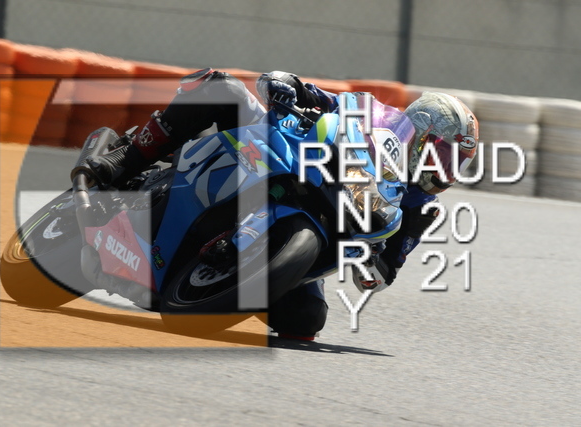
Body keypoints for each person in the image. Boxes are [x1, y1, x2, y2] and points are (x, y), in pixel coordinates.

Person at [75, 68, 479, 340]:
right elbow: (318, 98)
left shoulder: (419, 208)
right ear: (419, 135)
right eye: (441, 156)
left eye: (455, 164)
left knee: (306, 321)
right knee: (222, 88)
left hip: (315, 233)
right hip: (289, 161)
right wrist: (290, 87)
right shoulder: (375, 119)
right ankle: (123, 159)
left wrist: (373, 259)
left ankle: (229, 279)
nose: (444, 171)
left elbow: (379, 276)